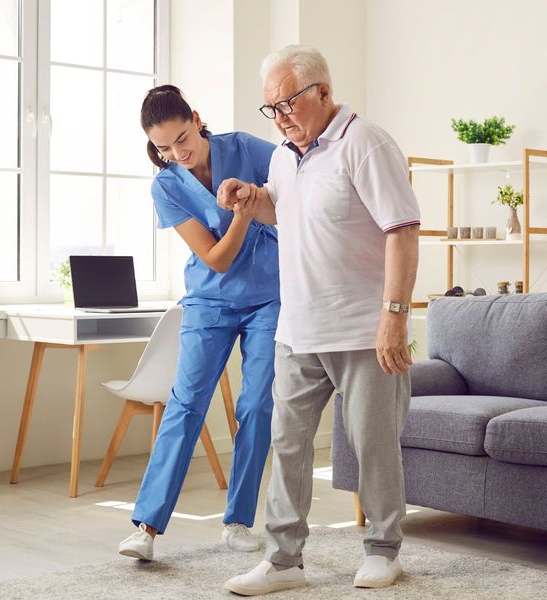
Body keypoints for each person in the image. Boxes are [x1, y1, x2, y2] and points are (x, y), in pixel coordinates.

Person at [218, 45, 420, 594]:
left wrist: (394, 318)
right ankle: (284, 561)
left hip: (362, 328)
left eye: (287, 103)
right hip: (298, 329)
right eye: (271, 108)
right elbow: (287, 212)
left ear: (323, 93)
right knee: (287, 444)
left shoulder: (366, 143)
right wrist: (251, 198)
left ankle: (384, 549)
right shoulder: (284, 156)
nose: (280, 117)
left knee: (372, 443)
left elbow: (401, 230)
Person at [118, 85, 279, 561]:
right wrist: (244, 217)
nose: (178, 153)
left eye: (183, 138)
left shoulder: (247, 148)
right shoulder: (167, 185)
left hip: (270, 298)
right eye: (164, 148)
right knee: (186, 405)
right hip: (209, 301)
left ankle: (238, 521)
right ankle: (146, 528)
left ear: (196, 118)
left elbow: (299, 174)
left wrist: (258, 199)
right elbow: (215, 258)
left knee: (255, 407)